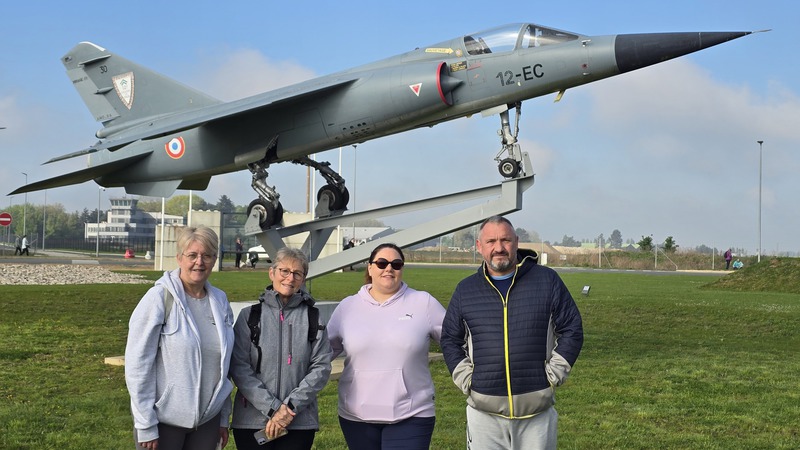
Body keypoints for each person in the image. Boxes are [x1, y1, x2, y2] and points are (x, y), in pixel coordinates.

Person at [440, 215, 584, 450]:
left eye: (505, 240)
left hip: (536, 414)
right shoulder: (466, 290)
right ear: (479, 246)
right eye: (491, 241)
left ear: (516, 242)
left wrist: (553, 375)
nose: (499, 248)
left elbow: (572, 329)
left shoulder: (546, 280)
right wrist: (468, 380)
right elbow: (450, 339)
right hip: (484, 415)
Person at [125, 226, 234, 450]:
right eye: (192, 255)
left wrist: (223, 416)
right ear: (179, 258)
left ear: (214, 260)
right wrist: (145, 423)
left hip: (207, 423)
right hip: (164, 422)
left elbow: (224, 365)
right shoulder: (158, 298)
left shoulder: (220, 301)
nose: (199, 262)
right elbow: (138, 364)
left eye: (206, 256)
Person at [327, 243, 446, 449]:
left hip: (412, 414)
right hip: (356, 417)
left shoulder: (423, 303)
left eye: (396, 264)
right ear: (370, 267)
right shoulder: (347, 307)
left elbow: (455, 340)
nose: (389, 268)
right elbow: (322, 352)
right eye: (381, 263)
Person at [230, 247, 332, 450]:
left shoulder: (313, 317)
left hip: (298, 421)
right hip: (252, 422)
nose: (290, 278)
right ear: (272, 273)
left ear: (303, 279)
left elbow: (321, 367)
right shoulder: (249, 316)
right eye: (284, 271)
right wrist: (273, 409)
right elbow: (239, 367)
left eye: (297, 273)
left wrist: (290, 407)